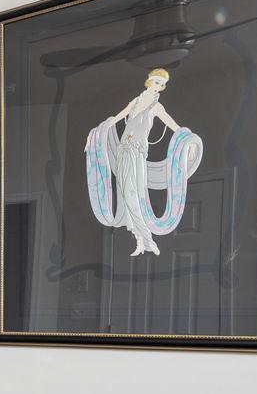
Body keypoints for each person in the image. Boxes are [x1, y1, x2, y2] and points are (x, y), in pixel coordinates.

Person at [85, 67, 204, 256]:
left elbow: (172, 124)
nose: (159, 86)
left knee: (134, 194)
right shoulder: (136, 101)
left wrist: (188, 140)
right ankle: (141, 240)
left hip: (137, 153)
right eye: (157, 82)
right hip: (124, 151)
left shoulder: (156, 107)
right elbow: (116, 119)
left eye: (162, 84)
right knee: (126, 195)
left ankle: (146, 239)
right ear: (150, 81)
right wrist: (95, 135)